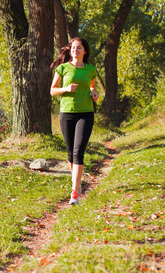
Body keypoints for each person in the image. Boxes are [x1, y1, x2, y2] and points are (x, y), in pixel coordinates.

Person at [50, 37, 98, 205]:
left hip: (86, 113)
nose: (75, 50)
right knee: (71, 153)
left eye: (79, 48)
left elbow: (92, 86)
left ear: (85, 51)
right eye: (73, 48)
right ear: (70, 51)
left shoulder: (91, 70)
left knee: (78, 152)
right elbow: (52, 90)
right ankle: (76, 184)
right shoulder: (62, 68)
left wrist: (94, 94)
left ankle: (75, 193)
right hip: (67, 113)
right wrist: (66, 88)